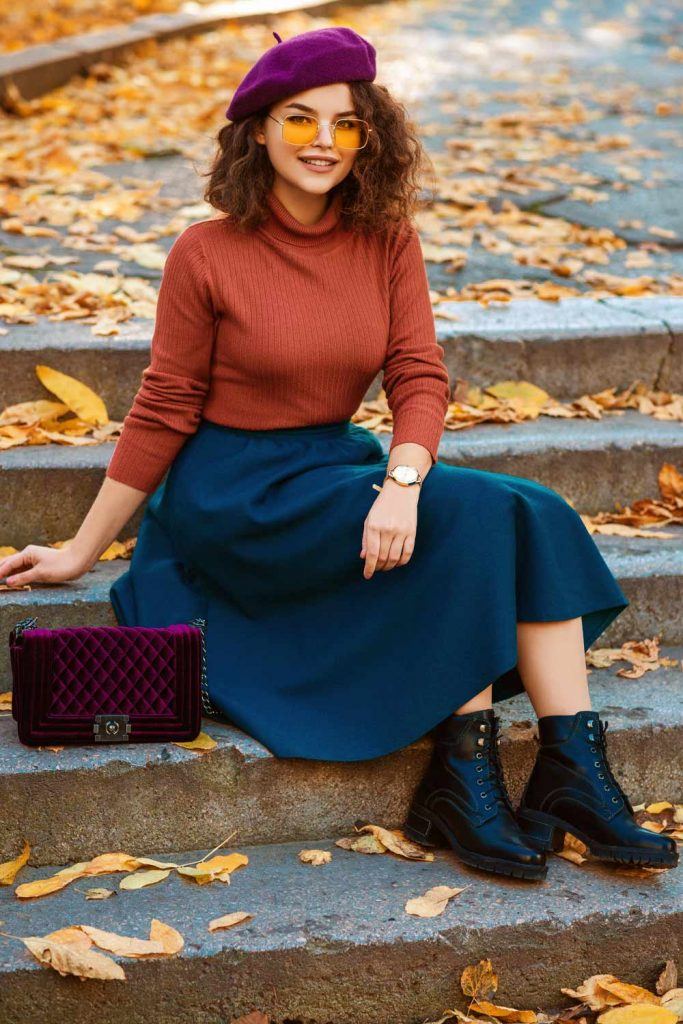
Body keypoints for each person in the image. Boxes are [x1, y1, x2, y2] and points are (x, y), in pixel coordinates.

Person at [0, 27, 676, 882]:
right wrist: (78, 551)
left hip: (334, 466)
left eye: (347, 123)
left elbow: (418, 375)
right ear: (256, 129)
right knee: (473, 513)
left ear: (371, 137)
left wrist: (400, 482)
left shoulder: (387, 238)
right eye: (300, 118)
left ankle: (569, 771)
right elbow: (163, 407)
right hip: (234, 492)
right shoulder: (204, 253)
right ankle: (464, 779)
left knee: (524, 506)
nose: (324, 140)